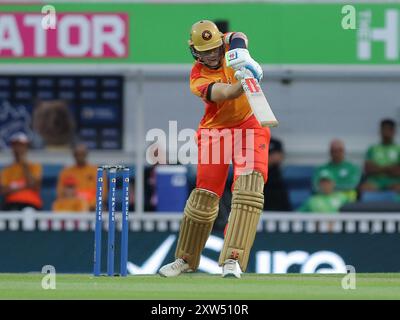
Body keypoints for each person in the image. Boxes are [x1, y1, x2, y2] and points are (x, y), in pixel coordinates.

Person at [159, 20, 269, 278]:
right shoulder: (197, 78)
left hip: (250, 126)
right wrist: (243, 81)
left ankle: (234, 259)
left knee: (248, 189)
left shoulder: (228, 43)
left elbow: (240, 35)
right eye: (205, 51)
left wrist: (244, 58)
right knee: (205, 197)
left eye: (215, 48)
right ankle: (185, 259)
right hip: (215, 131)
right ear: (195, 52)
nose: (212, 54)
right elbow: (228, 93)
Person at [0, 132, 43, 210]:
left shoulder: (35, 166)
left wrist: (23, 164)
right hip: (12, 204)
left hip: (32, 203)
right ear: (12, 148)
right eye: (16, 145)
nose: (19, 148)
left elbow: (34, 186)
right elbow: (3, 191)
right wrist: (24, 185)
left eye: (22, 145)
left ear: (26, 148)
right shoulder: (6, 170)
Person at [56, 143, 101, 211]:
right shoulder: (65, 172)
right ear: (74, 155)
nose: (80, 156)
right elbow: (60, 194)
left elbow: (102, 194)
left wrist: (88, 206)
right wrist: (75, 205)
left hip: (92, 209)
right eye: (77, 154)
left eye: (82, 153)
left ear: (86, 154)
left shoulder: (97, 171)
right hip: (72, 210)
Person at [360, 119, 400, 193]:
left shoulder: (398, 149)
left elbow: (398, 171)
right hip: (375, 182)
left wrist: (378, 168)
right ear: (380, 131)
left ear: (394, 131)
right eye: (384, 129)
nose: (386, 132)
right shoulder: (372, 149)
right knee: (364, 188)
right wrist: (389, 168)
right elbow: (368, 169)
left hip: (394, 182)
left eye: (389, 129)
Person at [263, 137, 291, 211]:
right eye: (269, 154)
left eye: (273, 154)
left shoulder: (277, 176)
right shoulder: (255, 173)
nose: (270, 157)